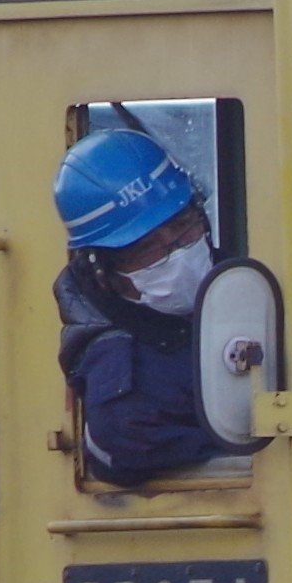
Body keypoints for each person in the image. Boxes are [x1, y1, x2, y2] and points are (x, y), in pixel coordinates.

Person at [49, 128, 237, 486]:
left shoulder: (243, 290)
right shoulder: (124, 386)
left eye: (182, 226)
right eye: (147, 248)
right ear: (104, 271)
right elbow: (128, 443)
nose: (178, 253)